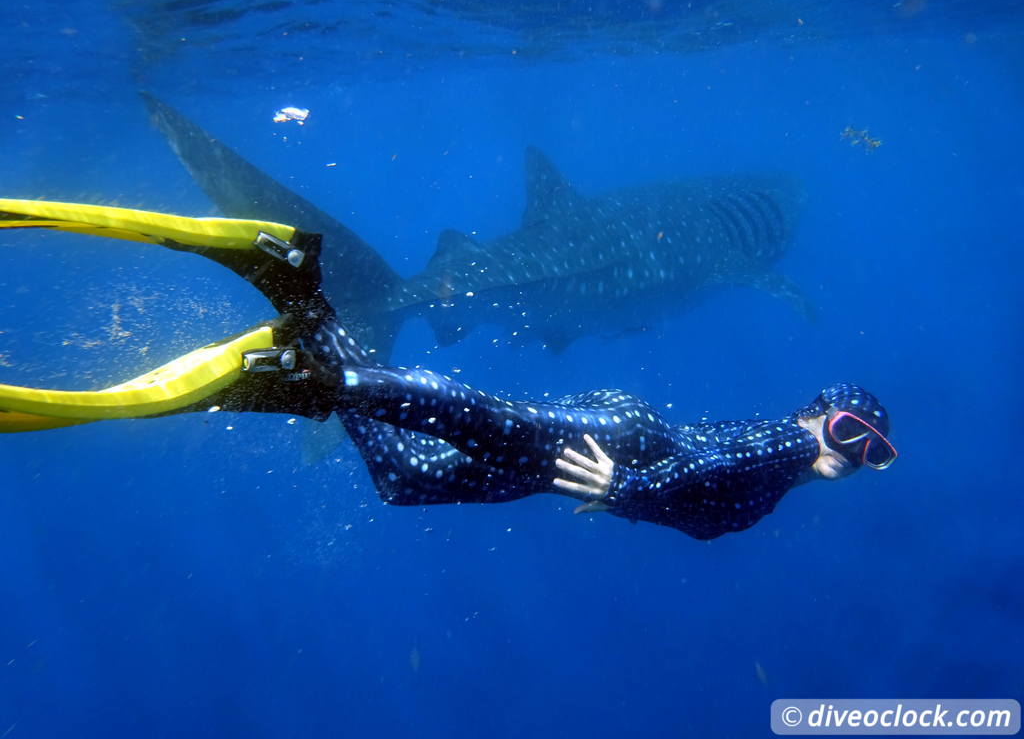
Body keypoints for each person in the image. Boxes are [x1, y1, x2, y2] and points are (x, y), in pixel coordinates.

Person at [0, 199, 897, 538]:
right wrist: (629, 492)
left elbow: (710, 507)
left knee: (406, 482)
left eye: (870, 454)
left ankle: (311, 330)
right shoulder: (784, 449)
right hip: (613, 444)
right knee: (467, 414)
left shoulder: (781, 469)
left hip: (600, 453)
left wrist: (642, 496)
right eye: (852, 434)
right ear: (820, 413)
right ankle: (312, 347)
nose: (853, 454)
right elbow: (717, 473)